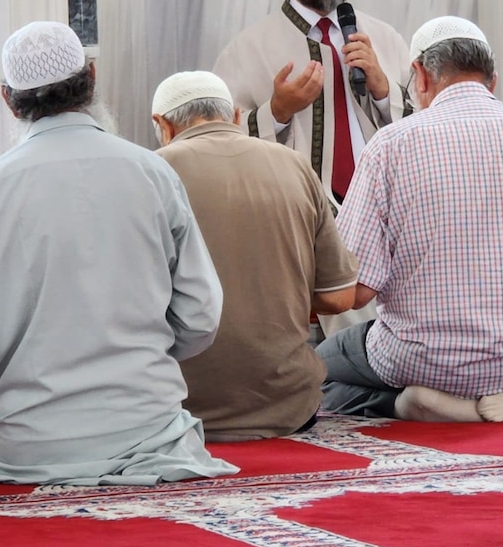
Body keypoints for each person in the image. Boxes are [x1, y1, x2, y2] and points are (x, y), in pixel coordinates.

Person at [317, 16, 503, 423]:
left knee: (313, 375)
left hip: (428, 360)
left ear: (419, 76)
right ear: (493, 81)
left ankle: (414, 403)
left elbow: (354, 291)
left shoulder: (391, 146)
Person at [0, 22, 237, 485]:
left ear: (9, 99)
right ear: (92, 77)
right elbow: (201, 317)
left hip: (22, 445)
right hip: (147, 433)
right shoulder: (152, 172)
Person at [152, 70, 358, 440]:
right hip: (290, 409)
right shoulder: (294, 164)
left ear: (162, 125)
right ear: (233, 117)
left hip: (180, 410)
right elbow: (339, 296)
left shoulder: (152, 172)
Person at [213, 0, 411, 209]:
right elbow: (218, 141)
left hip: (384, 208)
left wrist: (383, 90)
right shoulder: (247, 50)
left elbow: (427, 122)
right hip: (299, 214)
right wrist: (277, 112)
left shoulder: (385, 39)